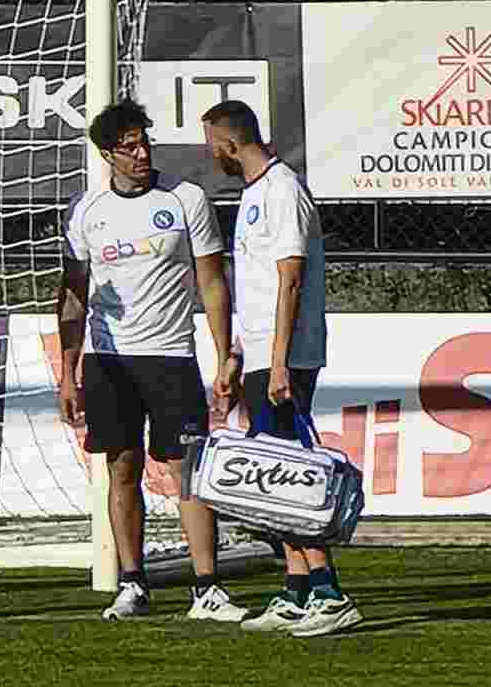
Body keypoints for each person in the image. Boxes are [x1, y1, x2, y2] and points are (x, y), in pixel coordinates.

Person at [56, 98, 246, 622]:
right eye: (130, 147)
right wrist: (69, 372)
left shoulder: (186, 199)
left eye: (145, 142)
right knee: (122, 469)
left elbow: (211, 282)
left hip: (170, 356)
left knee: (188, 472)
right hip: (107, 361)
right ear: (107, 154)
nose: (142, 153)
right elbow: (73, 294)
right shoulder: (86, 211)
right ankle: (133, 583)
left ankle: (207, 587)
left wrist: (225, 353)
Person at [202, 99, 362, 637]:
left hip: (286, 357)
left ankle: (330, 593)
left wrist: (277, 365)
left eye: (212, 145)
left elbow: (289, 280)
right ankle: (295, 594)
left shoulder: (283, 190)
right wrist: (235, 356)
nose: (211, 156)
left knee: (290, 480)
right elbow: (257, 290)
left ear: (229, 143)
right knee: (273, 480)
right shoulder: (253, 194)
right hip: (264, 353)